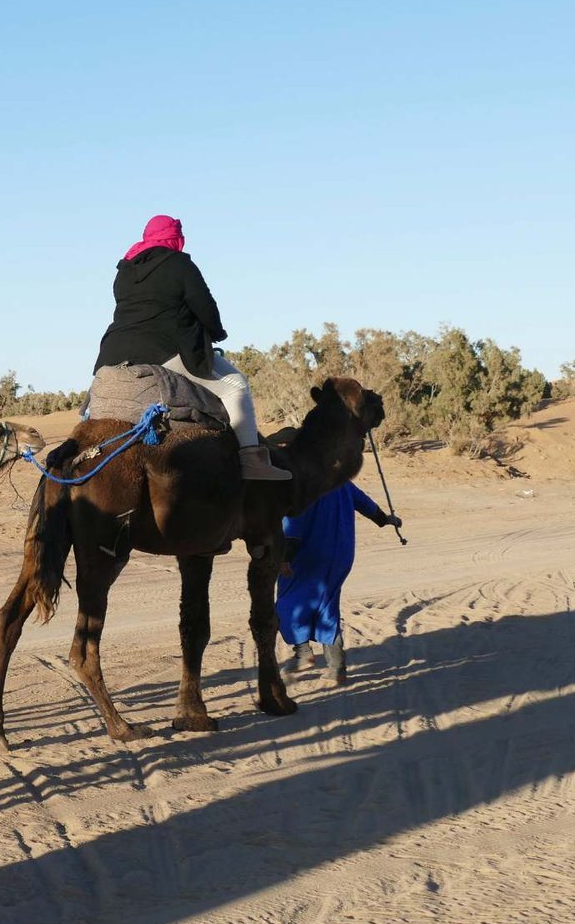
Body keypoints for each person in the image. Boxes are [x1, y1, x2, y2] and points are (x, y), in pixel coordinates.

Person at [94, 214, 290, 481]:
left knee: (95, 403)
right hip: (165, 350)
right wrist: (217, 332)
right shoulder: (179, 264)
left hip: (112, 353)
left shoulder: (124, 272)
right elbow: (204, 305)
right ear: (175, 237)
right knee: (236, 386)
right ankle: (252, 460)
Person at [277, 481, 402, 677]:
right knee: (327, 606)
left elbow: (294, 523)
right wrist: (384, 519)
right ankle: (337, 667)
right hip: (341, 557)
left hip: (308, 557)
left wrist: (285, 557)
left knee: (289, 603)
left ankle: (303, 652)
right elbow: (365, 503)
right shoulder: (343, 482)